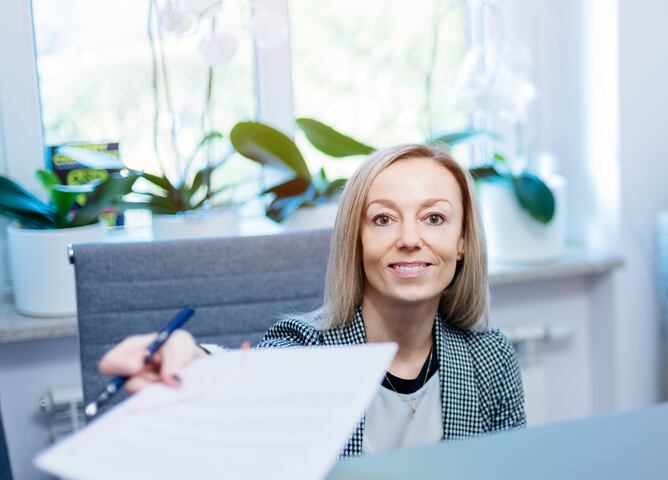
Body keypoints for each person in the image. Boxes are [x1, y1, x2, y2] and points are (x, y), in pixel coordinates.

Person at [98, 143, 526, 456]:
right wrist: (192, 359)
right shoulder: (305, 350)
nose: (410, 239)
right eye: (383, 219)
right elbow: (250, 380)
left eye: (434, 218)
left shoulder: (490, 359)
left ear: (462, 243)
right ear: (355, 242)